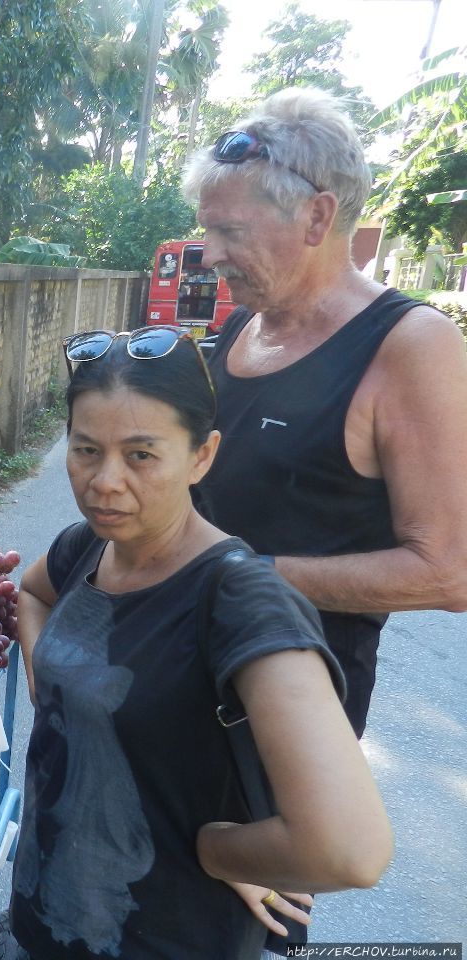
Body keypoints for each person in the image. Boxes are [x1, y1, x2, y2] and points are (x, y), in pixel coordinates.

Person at [0, 326, 390, 960]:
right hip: (41, 922)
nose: (105, 482)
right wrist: (48, 670)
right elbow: (32, 593)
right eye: (86, 449)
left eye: (142, 454)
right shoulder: (88, 548)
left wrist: (217, 847)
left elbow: (349, 847)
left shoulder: (239, 602)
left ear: (202, 455)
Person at [181, 88, 467, 738]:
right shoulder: (241, 327)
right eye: (208, 228)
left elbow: (449, 570)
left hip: (291, 722)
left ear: (316, 218)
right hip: (183, 675)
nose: (210, 253)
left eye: (231, 231)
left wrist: (237, 579)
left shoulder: (409, 345)